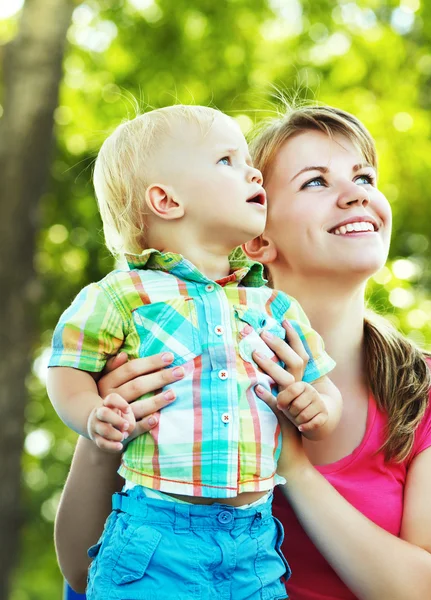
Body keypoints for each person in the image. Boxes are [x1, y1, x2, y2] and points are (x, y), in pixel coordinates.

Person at [55, 104, 431, 599]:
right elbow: (83, 573)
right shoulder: (165, 345)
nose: (356, 196)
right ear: (258, 235)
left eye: (364, 177)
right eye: (316, 183)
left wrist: (295, 466)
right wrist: (105, 431)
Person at [47, 104, 341, 600]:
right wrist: (92, 414)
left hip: (253, 542)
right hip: (154, 534)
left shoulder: (274, 305)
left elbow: (322, 388)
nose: (252, 172)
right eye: (227, 160)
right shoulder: (123, 294)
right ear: (166, 200)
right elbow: (67, 368)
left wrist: (320, 409)